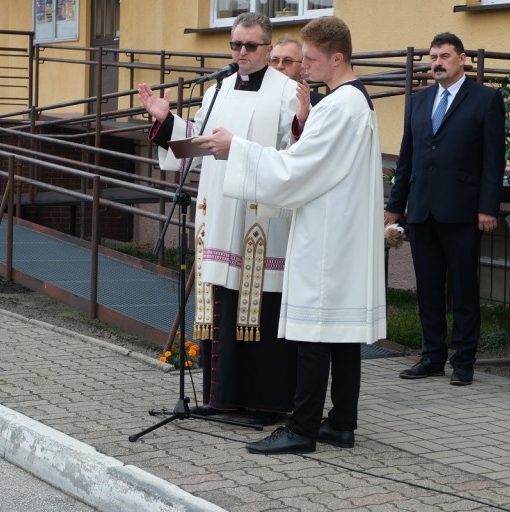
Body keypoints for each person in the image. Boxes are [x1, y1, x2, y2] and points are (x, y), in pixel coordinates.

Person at [194, 15, 386, 455]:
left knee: (314, 335)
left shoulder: (338, 107)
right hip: (340, 231)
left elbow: (295, 168)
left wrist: (236, 149)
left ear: (338, 58)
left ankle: (301, 429)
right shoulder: (357, 102)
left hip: (326, 238)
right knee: (340, 337)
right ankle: (341, 424)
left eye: (312, 60)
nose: (304, 69)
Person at [137, 12, 298, 423]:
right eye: (235, 46)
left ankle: (265, 405)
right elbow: (199, 136)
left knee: (256, 309)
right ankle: (221, 399)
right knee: (220, 303)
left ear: (267, 48)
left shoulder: (285, 93)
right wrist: (166, 120)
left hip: (258, 217)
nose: (241, 53)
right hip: (217, 213)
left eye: (250, 46)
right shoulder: (219, 88)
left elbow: (296, 154)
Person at [384, 32, 505, 386]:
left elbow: (492, 161)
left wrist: (487, 207)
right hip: (422, 210)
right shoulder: (420, 102)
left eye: (444, 56)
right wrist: (396, 205)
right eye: (433, 57)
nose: (437, 63)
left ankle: (464, 360)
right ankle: (432, 356)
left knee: (465, 289)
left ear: (462, 59)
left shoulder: (485, 99)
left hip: (463, 211)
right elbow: (407, 158)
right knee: (429, 289)